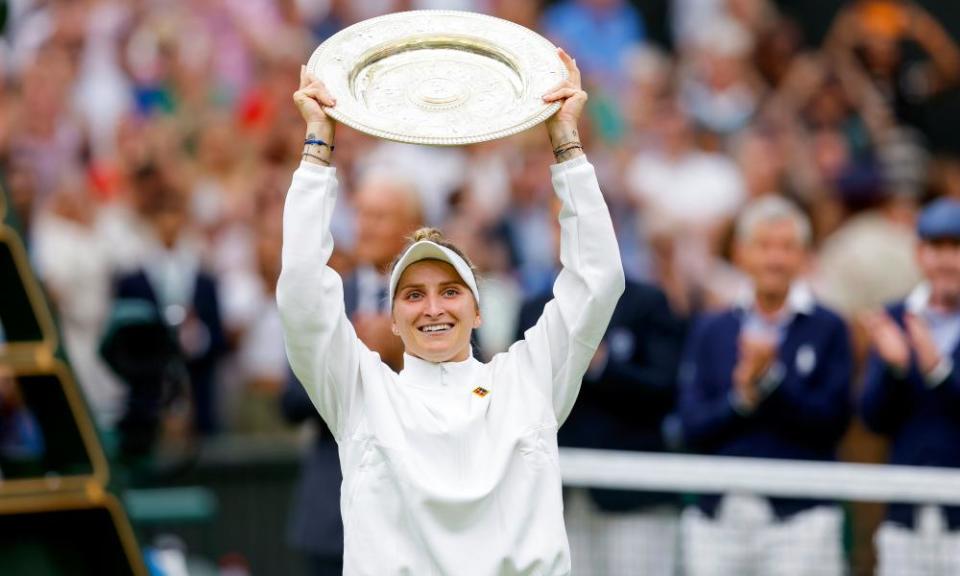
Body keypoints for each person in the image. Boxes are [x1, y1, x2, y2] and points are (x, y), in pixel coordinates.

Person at [278, 48, 624, 575]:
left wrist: (566, 145)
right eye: (413, 294)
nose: (433, 307)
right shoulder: (361, 390)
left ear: (479, 312)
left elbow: (597, 281)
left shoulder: (527, 378)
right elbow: (302, 290)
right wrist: (318, 146)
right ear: (391, 319)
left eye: (451, 290)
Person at [678, 196, 853, 576]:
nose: (775, 259)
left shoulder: (829, 328)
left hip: (802, 520)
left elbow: (832, 423)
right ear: (741, 253)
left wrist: (770, 380)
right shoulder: (712, 328)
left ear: (804, 256)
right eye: (763, 246)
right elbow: (691, 425)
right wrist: (741, 399)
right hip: (719, 520)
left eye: (787, 247)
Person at [860, 198, 960, 576]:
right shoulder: (894, 317)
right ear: (920, 254)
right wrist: (896, 369)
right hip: (905, 513)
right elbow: (873, 418)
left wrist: (938, 369)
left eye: (956, 247)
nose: (947, 260)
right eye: (937, 247)